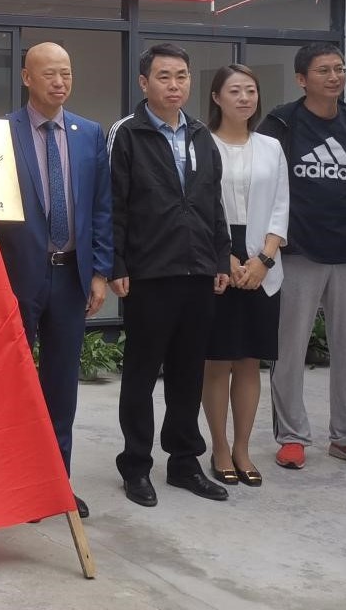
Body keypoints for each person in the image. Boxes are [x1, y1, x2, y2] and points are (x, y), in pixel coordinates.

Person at [107, 43, 231, 508]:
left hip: (198, 271)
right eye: (164, 76)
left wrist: (221, 258)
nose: (174, 85)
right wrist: (117, 264)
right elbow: (113, 204)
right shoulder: (127, 133)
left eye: (181, 76)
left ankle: (184, 462)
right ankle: (136, 465)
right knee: (141, 375)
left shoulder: (200, 135)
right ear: (144, 83)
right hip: (148, 274)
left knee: (187, 375)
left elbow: (213, 202)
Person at [259, 43, 346, 474]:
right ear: (302, 79)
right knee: (289, 348)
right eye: (323, 71)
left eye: (339, 69)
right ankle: (292, 437)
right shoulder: (281, 122)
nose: (334, 77)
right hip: (298, 250)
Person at [0, 42, 111, 519]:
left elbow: (102, 208)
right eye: (49, 74)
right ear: (27, 78)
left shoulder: (89, 133)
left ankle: (56, 482)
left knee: (61, 385)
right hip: (18, 277)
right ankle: (14, 480)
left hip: (71, 276)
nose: (60, 82)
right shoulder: (2, 133)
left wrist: (100, 271)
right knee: (15, 383)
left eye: (66, 73)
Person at [201, 65, 288, 488]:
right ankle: (219, 448)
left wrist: (263, 260)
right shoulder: (201, 143)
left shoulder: (271, 146)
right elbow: (198, 206)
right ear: (216, 97)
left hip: (262, 261)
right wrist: (227, 259)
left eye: (250, 91)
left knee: (250, 361)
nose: (244, 98)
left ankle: (242, 448)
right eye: (234, 91)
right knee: (218, 361)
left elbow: (282, 205)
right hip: (215, 257)